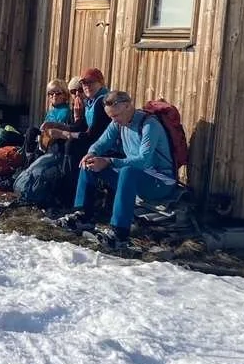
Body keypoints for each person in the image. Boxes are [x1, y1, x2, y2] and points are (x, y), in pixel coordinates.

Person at [54, 90, 180, 250]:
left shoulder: (149, 125)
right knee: (91, 163)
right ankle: (83, 216)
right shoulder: (118, 123)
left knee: (127, 171)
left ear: (128, 106)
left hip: (160, 182)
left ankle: (119, 233)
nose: (114, 121)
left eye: (116, 116)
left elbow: (143, 161)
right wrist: (91, 154)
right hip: (135, 178)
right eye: (111, 117)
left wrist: (108, 161)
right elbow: (101, 143)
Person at [42, 67, 111, 166]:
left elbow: (92, 135)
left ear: (100, 83)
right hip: (94, 141)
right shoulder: (90, 102)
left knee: (71, 144)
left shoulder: (102, 101)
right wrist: (55, 125)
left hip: (105, 146)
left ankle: (68, 179)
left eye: (91, 82)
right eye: (84, 83)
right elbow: (80, 126)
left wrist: (63, 134)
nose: (86, 86)